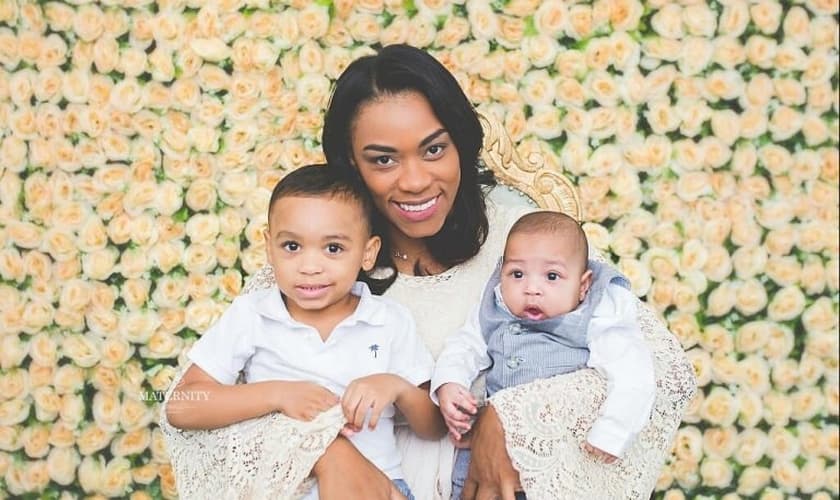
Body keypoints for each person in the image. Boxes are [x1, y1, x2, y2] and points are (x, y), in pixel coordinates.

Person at [161, 43, 694, 500]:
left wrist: (508, 417)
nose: (415, 181)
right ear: (350, 165)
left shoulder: (523, 235)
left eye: (434, 149)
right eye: (383, 159)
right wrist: (321, 453)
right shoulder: (320, 257)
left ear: (461, 142)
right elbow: (194, 409)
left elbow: (661, 369)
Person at [166, 165, 446, 500]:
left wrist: (396, 387)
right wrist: (278, 395)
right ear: (269, 247)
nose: (310, 267)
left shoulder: (388, 320)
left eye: (333, 249)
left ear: (367, 253)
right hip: (282, 488)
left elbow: (434, 426)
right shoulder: (253, 315)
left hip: (376, 486)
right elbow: (182, 405)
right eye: (292, 246)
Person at [432, 211, 656, 500]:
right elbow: (465, 344)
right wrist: (450, 382)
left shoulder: (595, 316)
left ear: (583, 286)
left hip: (556, 451)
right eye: (517, 274)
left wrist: (613, 431)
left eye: (552, 276)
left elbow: (633, 372)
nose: (532, 289)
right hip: (486, 450)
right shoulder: (496, 307)